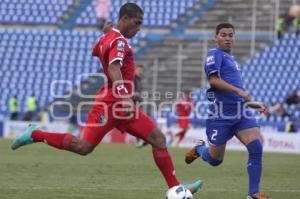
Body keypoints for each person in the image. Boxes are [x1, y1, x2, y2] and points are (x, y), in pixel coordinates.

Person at [11, 3, 201, 194]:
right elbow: (113, 67)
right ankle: (34, 134)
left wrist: (108, 32)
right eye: (136, 23)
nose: (138, 28)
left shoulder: (108, 38)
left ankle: (176, 189)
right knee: (83, 147)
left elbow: (96, 50)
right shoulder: (119, 41)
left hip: (121, 105)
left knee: (158, 139)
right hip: (111, 103)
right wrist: (124, 95)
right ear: (124, 19)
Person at [184, 23, 271, 199]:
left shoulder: (232, 59)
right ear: (216, 37)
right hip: (220, 116)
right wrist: (239, 91)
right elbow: (214, 80)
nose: (228, 38)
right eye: (223, 35)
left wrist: (253, 104)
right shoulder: (214, 54)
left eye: (231, 35)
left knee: (256, 147)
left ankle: (253, 193)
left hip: (240, 113)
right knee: (215, 160)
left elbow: (236, 95)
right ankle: (200, 150)